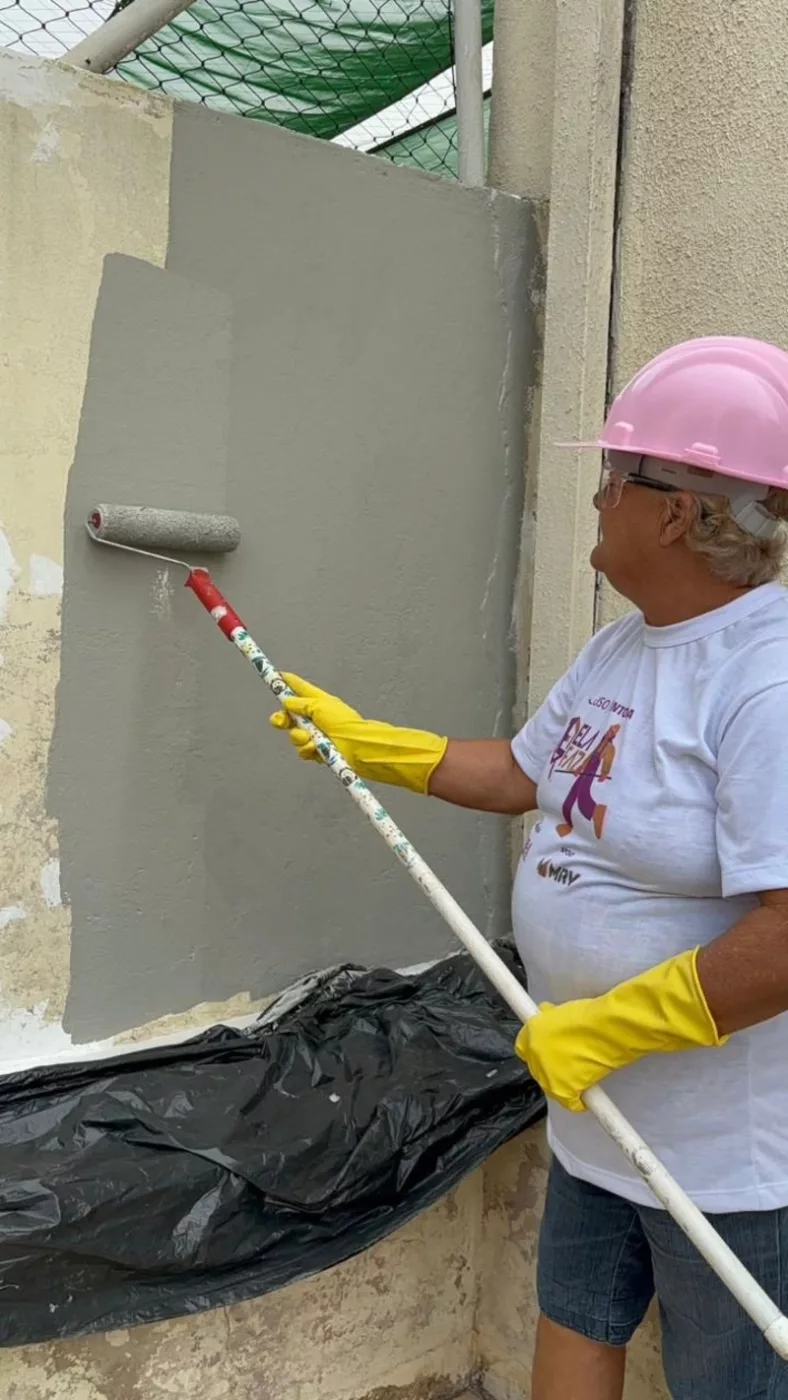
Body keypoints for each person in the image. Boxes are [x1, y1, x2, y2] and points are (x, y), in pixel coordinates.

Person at [271, 335, 788, 1400]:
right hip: (595, 1118)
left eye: (613, 474)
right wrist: (370, 742)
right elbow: (520, 770)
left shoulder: (764, 680)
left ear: (679, 509)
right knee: (572, 1328)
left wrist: (605, 1025)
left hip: (727, 1163)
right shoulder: (623, 645)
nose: (596, 495)